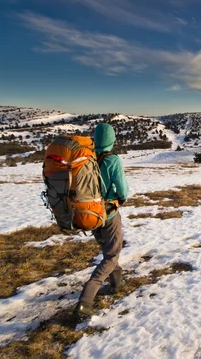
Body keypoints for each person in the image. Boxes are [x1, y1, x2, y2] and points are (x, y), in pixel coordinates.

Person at [75, 123, 129, 317]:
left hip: (89, 214)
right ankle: (86, 300)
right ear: (112, 140)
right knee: (111, 255)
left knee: (109, 250)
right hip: (108, 213)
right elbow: (122, 188)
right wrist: (120, 199)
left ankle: (117, 282)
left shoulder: (85, 158)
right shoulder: (112, 159)